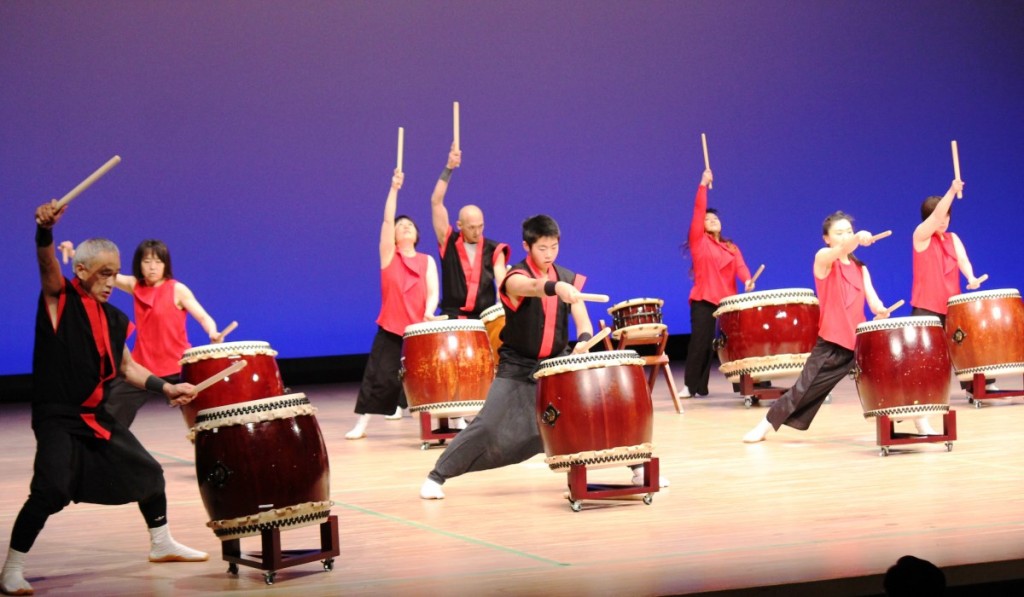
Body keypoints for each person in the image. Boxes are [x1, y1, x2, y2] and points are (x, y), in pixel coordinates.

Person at [1, 201, 208, 597]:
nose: (112, 282)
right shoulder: (60, 300)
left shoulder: (114, 319)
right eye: (104, 273)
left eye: (115, 274)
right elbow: (47, 266)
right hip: (58, 418)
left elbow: (129, 366)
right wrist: (44, 232)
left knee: (149, 472)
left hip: (95, 417)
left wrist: (167, 388)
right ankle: (12, 567)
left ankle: (161, 543)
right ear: (81, 271)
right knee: (49, 490)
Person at [419, 215, 665, 500]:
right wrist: (554, 288)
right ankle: (437, 476)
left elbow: (582, 321)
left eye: (553, 247)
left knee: (592, 415)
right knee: (487, 425)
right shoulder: (516, 277)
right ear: (527, 246)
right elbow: (531, 288)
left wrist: (584, 342)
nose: (549, 254)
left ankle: (637, 467)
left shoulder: (567, 277)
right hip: (517, 366)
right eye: (542, 249)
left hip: (554, 366)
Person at [743, 211, 892, 443]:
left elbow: (872, 300)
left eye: (849, 232)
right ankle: (765, 425)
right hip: (833, 342)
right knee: (804, 389)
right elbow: (839, 251)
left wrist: (881, 310)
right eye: (839, 233)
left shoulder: (861, 268)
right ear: (827, 238)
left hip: (859, 340)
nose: (845, 237)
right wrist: (856, 239)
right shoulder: (824, 259)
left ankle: (916, 420)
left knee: (888, 377)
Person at [58, 239, 227, 428]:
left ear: (165, 264)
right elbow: (99, 269)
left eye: (158, 262)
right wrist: (73, 253)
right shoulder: (135, 285)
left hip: (178, 367)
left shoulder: (176, 289)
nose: (152, 267)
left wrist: (213, 332)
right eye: (147, 262)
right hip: (143, 367)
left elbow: (203, 317)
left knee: (204, 415)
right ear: (139, 264)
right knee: (111, 413)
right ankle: (104, 449)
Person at [345, 168, 439, 440]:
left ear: (417, 234)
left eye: (409, 224)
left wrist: (429, 311)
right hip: (391, 327)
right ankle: (361, 425)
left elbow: (433, 290)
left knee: (431, 379)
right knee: (379, 378)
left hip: (419, 330)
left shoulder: (427, 260)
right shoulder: (389, 257)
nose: (405, 226)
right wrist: (394, 188)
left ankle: (448, 422)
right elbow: (387, 220)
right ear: (394, 237)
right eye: (401, 226)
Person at [910, 178, 993, 395]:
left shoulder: (952, 237)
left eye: (947, 215)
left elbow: (963, 260)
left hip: (952, 305)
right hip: (926, 307)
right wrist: (951, 191)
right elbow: (937, 214)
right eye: (939, 216)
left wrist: (971, 277)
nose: (943, 220)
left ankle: (977, 387)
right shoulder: (920, 236)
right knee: (924, 352)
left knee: (966, 346)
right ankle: (923, 393)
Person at [683, 168, 754, 397]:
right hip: (704, 299)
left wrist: (748, 280)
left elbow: (741, 267)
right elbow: (697, 210)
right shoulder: (698, 242)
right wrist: (703, 184)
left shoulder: (731, 247)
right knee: (700, 344)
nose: (712, 220)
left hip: (727, 302)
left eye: (715, 218)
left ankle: (743, 384)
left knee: (731, 344)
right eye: (708, 218)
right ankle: (691, 385)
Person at [430, 145, 509, 319]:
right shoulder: (448, 240)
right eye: (472, 227)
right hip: (452, 317)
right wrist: (448, 168)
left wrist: (502, 305)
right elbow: (436, 202)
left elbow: (501, 281)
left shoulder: (495, 249)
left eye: (481, 226)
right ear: (459, 225)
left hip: (485, 318)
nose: (477, 232)